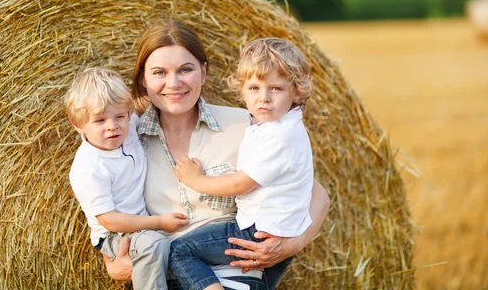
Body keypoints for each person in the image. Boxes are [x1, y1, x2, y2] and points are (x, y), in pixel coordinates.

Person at [103, 20, 330, 289]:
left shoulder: (249, 125)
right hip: (163, 279)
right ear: (143, 78)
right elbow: (105, 210)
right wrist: (111, 263)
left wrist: (289, 245)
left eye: (185, 69)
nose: (173, 83)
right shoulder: (125, 141)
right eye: (159, 72)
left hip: (237, 277)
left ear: (204, 72)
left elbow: (316, 195)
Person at [168, 37, 314, 290]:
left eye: (276, 89)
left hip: (258, 231)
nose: (264, 98)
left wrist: (197, 180)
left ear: (296, 91)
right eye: (254, 88)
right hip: (278, 231)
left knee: (180, 251)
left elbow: (241, 183)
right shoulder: (276, 126)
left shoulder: (278, 135)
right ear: (242, 89)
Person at [65, 67, 189, 290]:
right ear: (77, 124)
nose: (112, 126)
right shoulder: (89, 167)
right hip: (115, 234)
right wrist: (159, 223)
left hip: (142, 222)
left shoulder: (129, 126)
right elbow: (110, 220)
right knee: (153, 244)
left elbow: (145, 103)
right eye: (100, 120)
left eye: (120, 116)